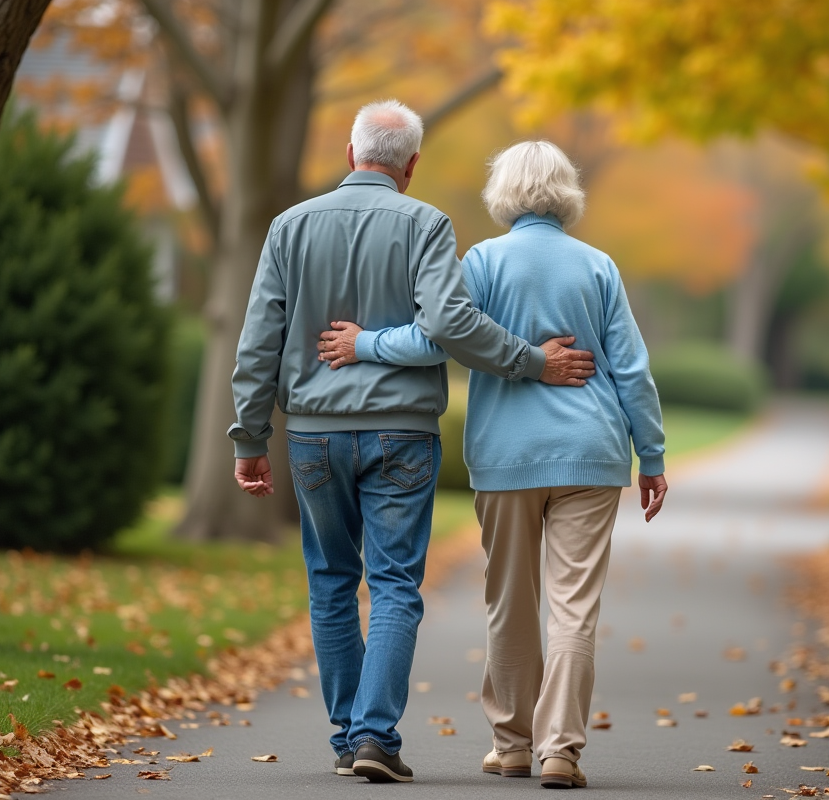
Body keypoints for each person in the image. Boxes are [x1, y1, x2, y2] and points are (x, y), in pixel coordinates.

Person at [228, 102, 597, 783]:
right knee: (394, 583)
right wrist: (533, 361)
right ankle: (374, 737)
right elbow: (453, 324)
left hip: (312, 434)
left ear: (350, 154)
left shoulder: (289, 227)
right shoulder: (426, 225)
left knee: (331, 581)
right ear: (412, 165)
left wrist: (249, 435)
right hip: (402, 431)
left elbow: (258, 341)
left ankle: (350, 737)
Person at [317, 140, 668, 790]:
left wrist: (364, 343)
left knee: (510, 600)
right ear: (566, 192)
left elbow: (434, 338)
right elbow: (632, 371)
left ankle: (511, 745)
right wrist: (651, 454)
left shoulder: (481, 261)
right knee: (573, 607)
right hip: (591, 455)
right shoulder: (598, 266)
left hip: (506, 456)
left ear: (503, 191)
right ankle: (560, 750)